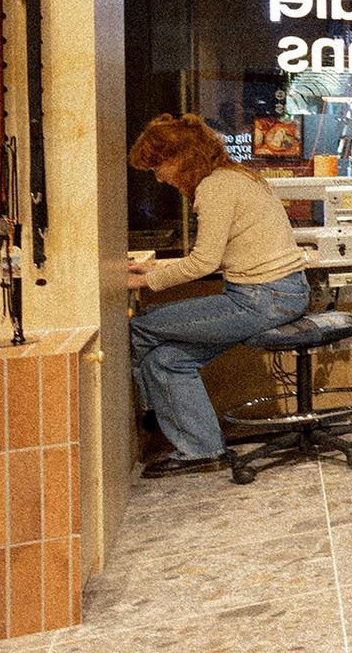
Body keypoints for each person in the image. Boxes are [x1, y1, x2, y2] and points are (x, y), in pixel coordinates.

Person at [126, 113, 312, 477]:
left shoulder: (215, 188)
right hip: (279, 293)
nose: (159, 177)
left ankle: (145, 415)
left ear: (183, 157)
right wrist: (153, 270)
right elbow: (217, 254)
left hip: (260, 298)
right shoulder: (237, 176)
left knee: (144, 326)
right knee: (166, 361)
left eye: (159, 165)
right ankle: (202, 450)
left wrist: (144, 283)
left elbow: (203, 263)